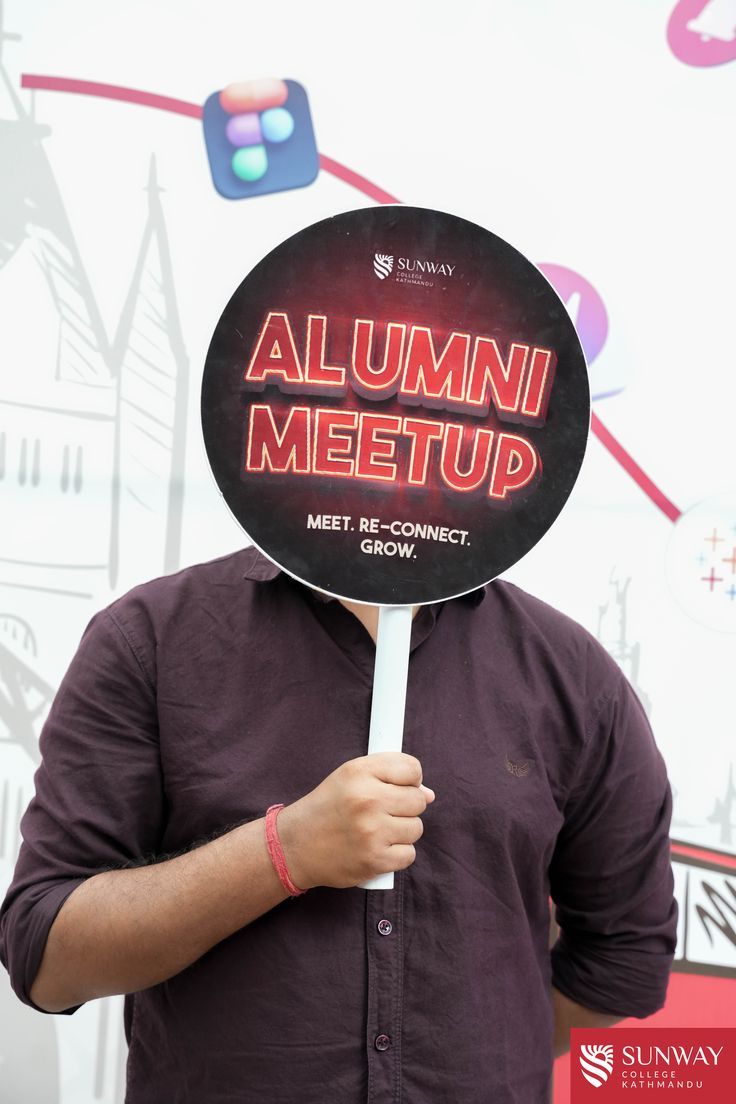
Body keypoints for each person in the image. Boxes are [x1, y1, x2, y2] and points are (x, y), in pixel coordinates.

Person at [0, 545, 677, 1103]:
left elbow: (623, 960)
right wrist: (282, 852)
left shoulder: (571, 675)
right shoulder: (152, 637)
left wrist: (480, 1053)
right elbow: (46, 955)